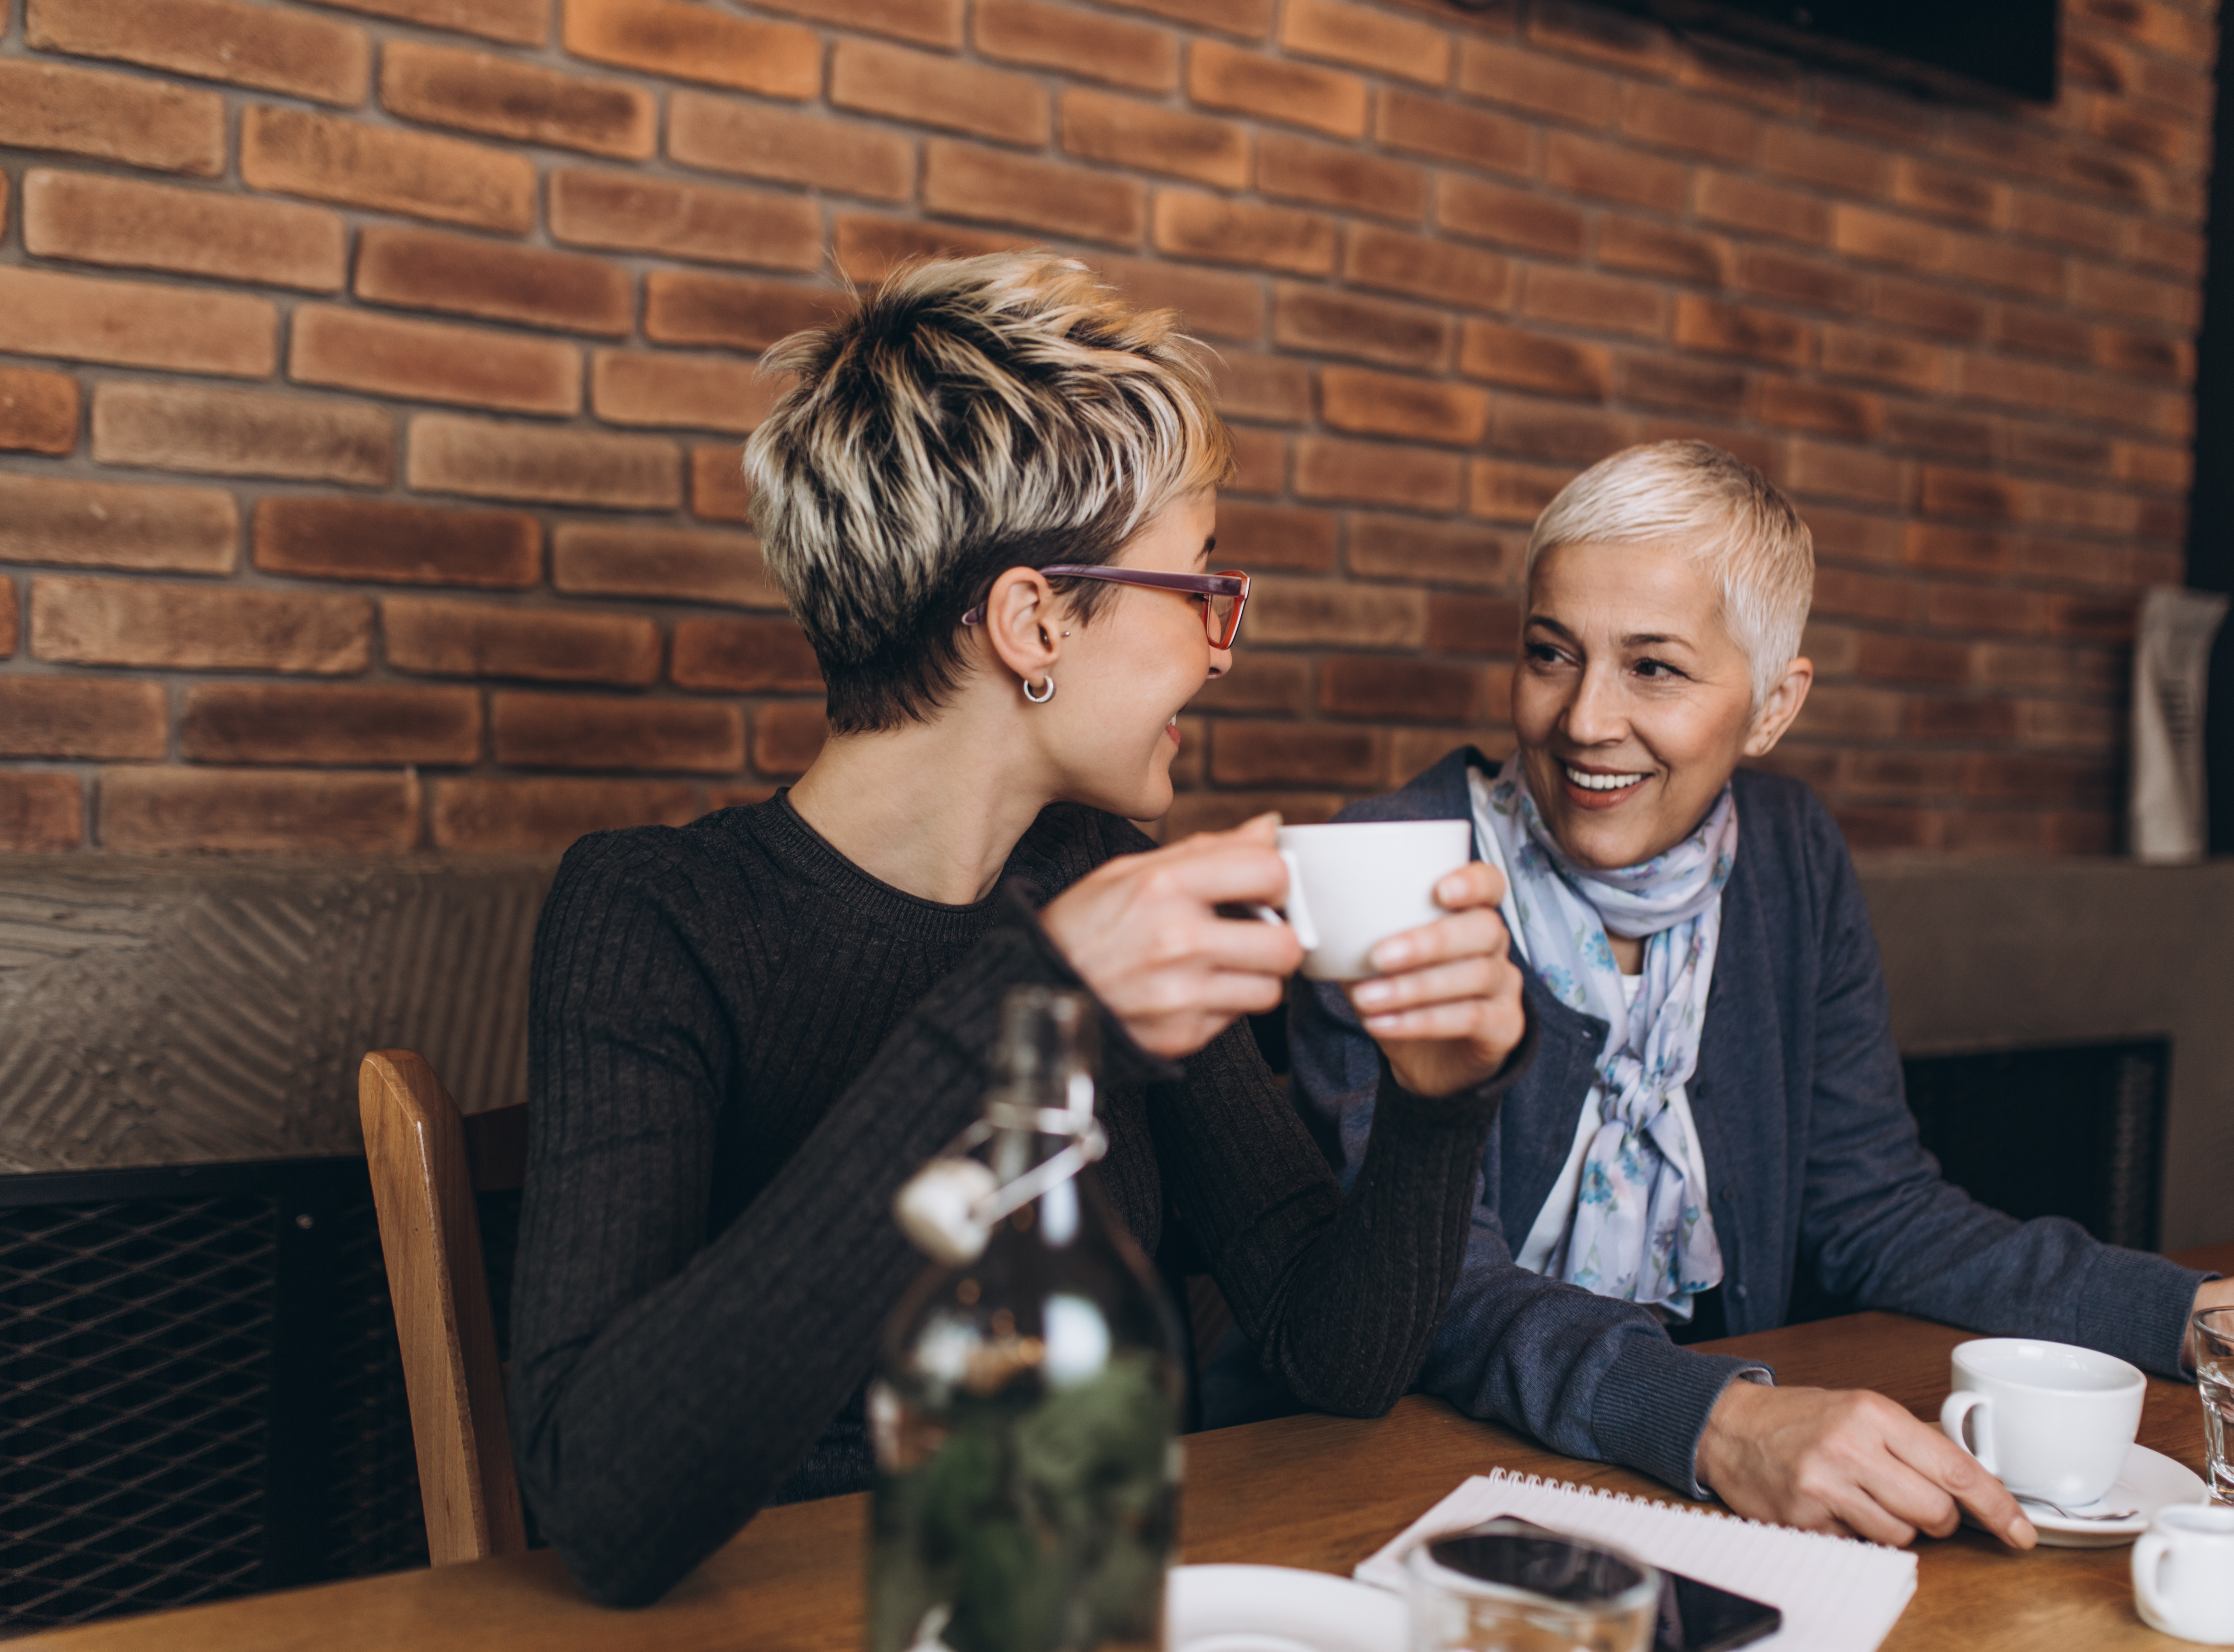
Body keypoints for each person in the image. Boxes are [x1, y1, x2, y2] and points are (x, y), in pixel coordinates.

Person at [509, 252, 1528, 1607]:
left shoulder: (1099, 880)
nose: (1225, 650)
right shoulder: (654, 915)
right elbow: (602, 1502)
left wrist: (1437, 1107)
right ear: (1034, 617)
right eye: (1200, 591)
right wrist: (1031, 1020)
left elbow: (1328, 1355)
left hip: (1094, 1593)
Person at [1274, 440, 2234, 1551]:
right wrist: (1714, 1419)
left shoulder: (1788, 852)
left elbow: (1878, 1209)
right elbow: (1425, 1292)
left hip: (1685, 1477)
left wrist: (2199, 1316)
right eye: (1550, 651)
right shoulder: (1388, 864)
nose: (1584, 718)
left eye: (1654, 668)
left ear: (1776, 706)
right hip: (1417, 1474)